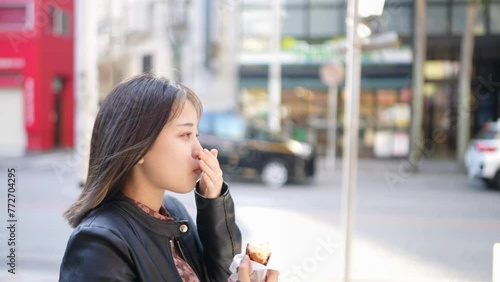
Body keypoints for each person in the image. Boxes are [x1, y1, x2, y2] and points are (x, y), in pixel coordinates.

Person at [59, 73, 278, 281]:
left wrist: (214, 205)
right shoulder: (101, 244)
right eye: (185, 135)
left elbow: (220, 276)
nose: (199, 150)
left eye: (197, 135)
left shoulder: (174, 212)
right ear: (138, 147)